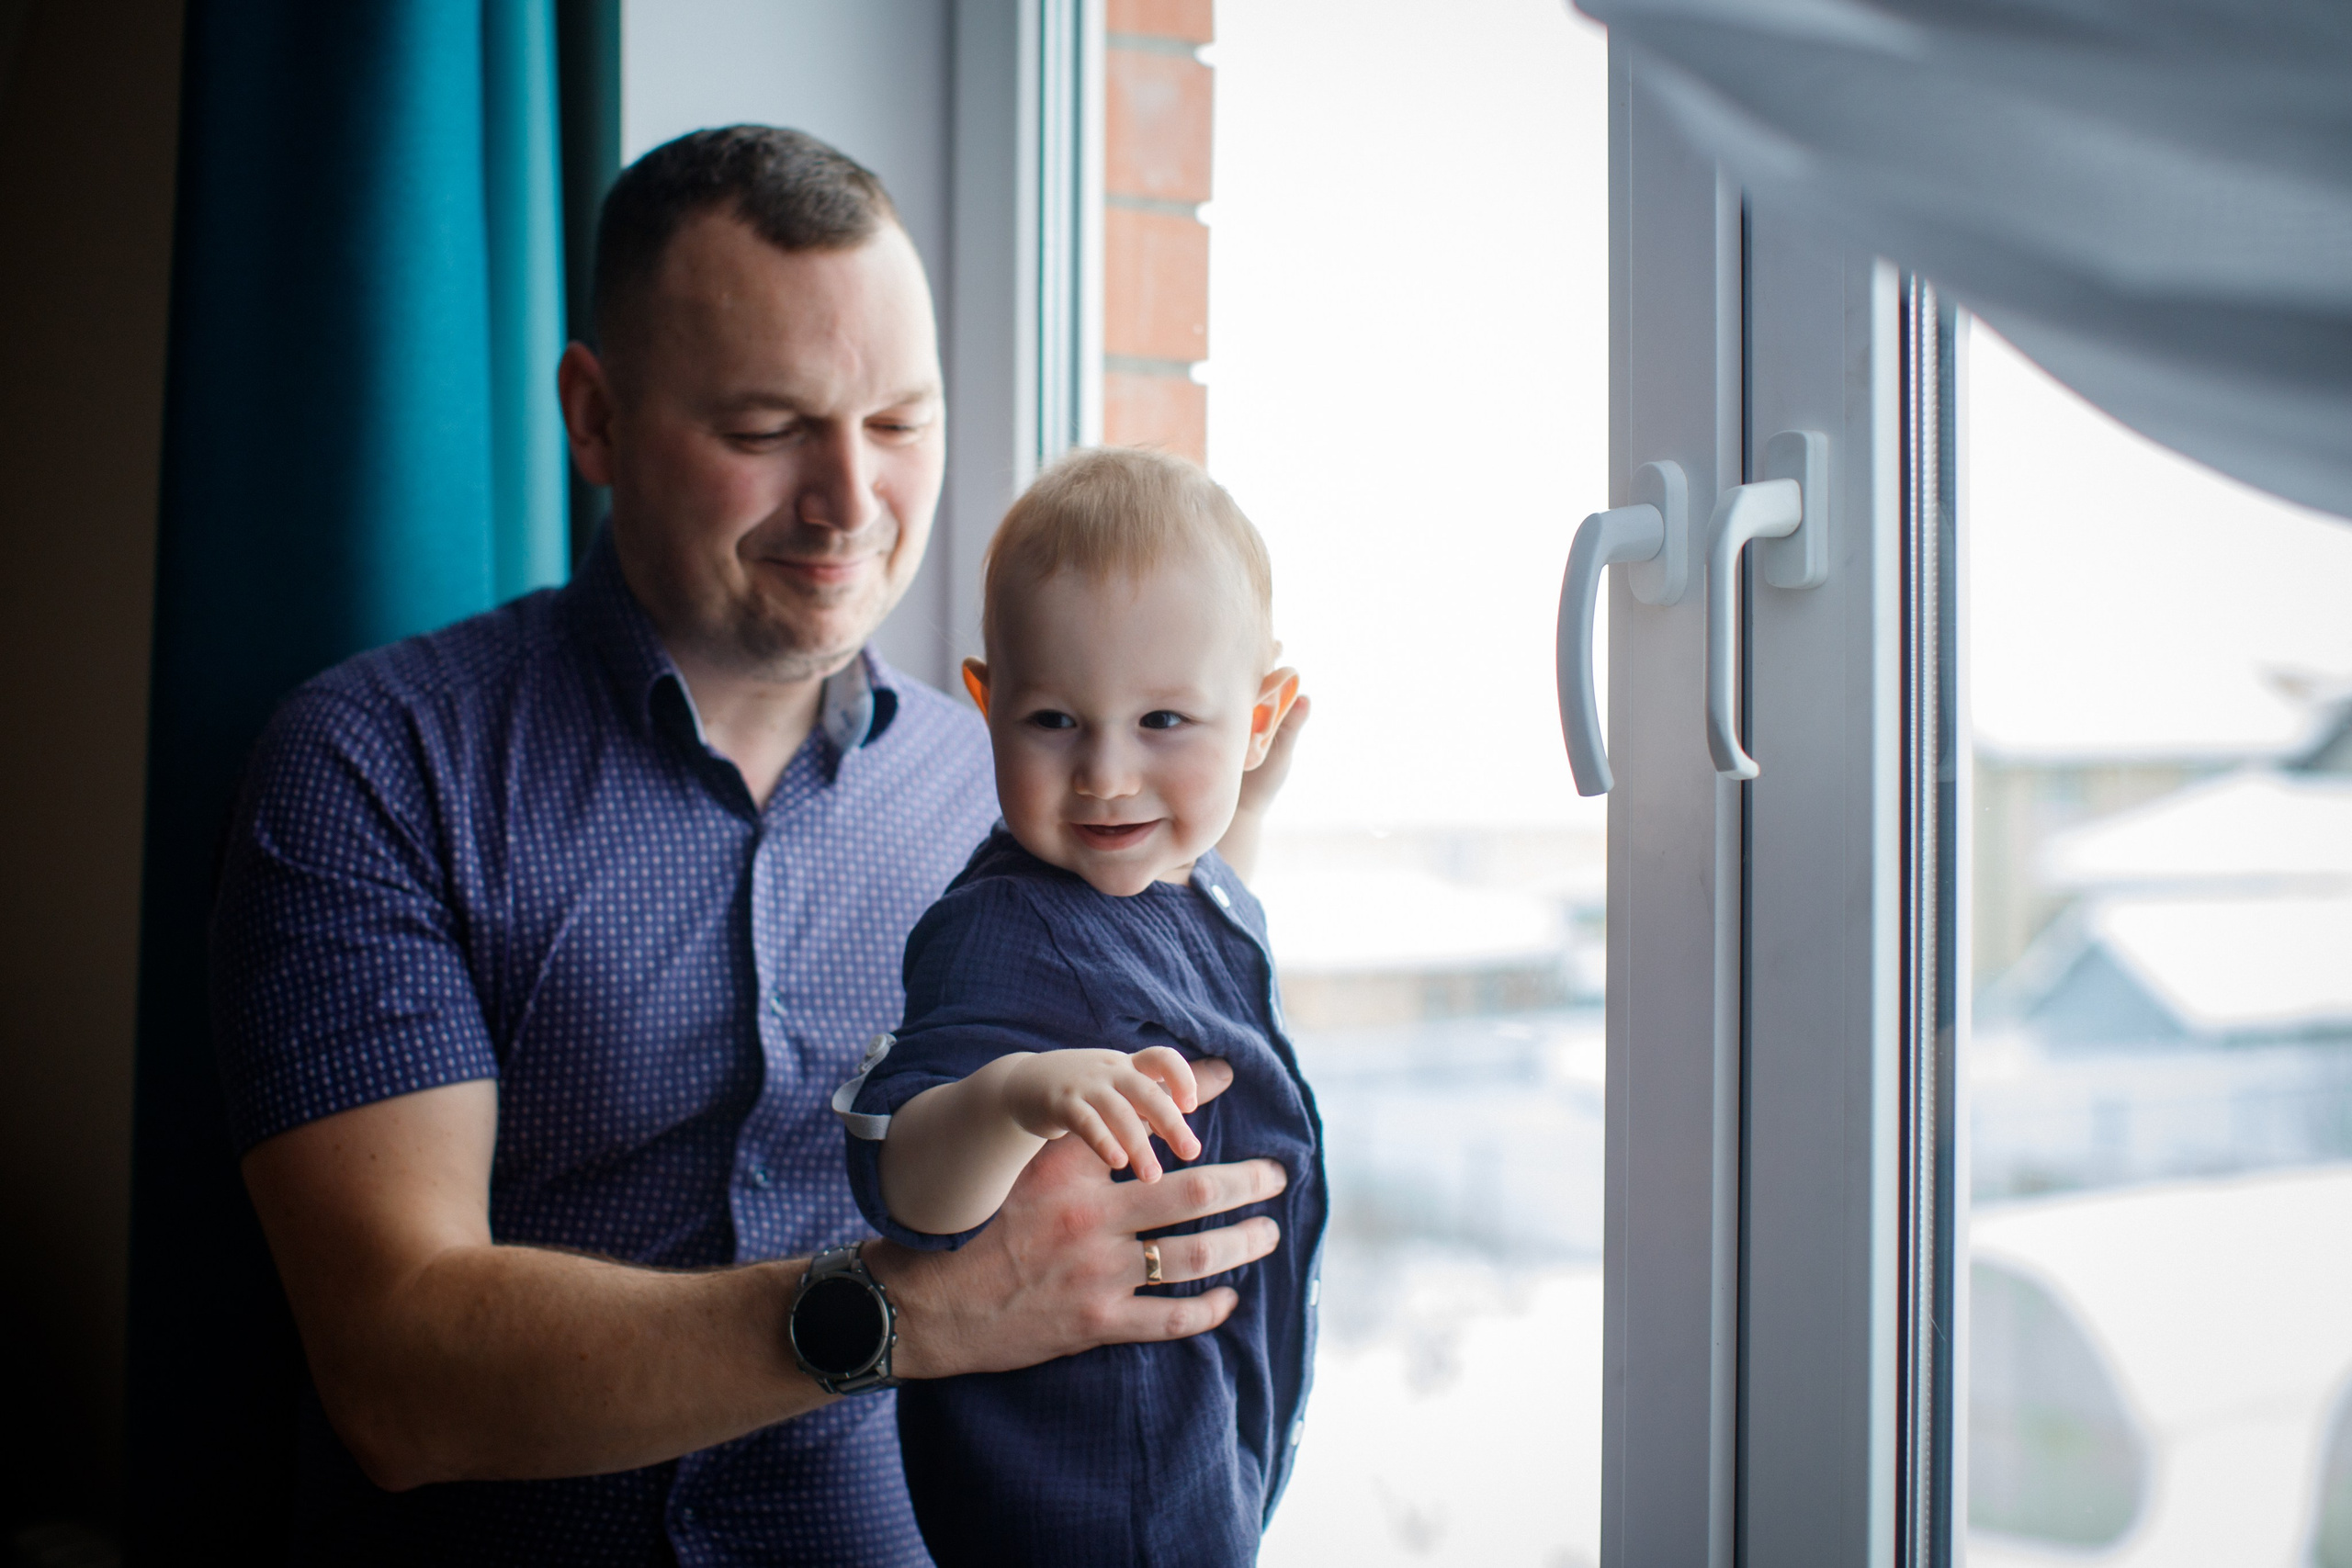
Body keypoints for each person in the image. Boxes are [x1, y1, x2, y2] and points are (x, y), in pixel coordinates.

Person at [215, 126, 1302, 1565]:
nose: (851, 500)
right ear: (595, 418)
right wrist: (910, 1311)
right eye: (766, 428)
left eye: (902, 421)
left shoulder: (1031, 793)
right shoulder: (379, 763)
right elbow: (398, 1373)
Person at [838, 448, 1325, 1567]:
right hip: (1078, 1488)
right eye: (1054, 721)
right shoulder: (1003, 933)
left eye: (1164, 722)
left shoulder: (1165, 873)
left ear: (1256, 719)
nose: (1106, 775)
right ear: (986, 702)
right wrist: (1010, 1099)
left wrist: (1245, 804)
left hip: (1191, 1429)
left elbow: (1181, 928)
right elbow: (907, 1184)